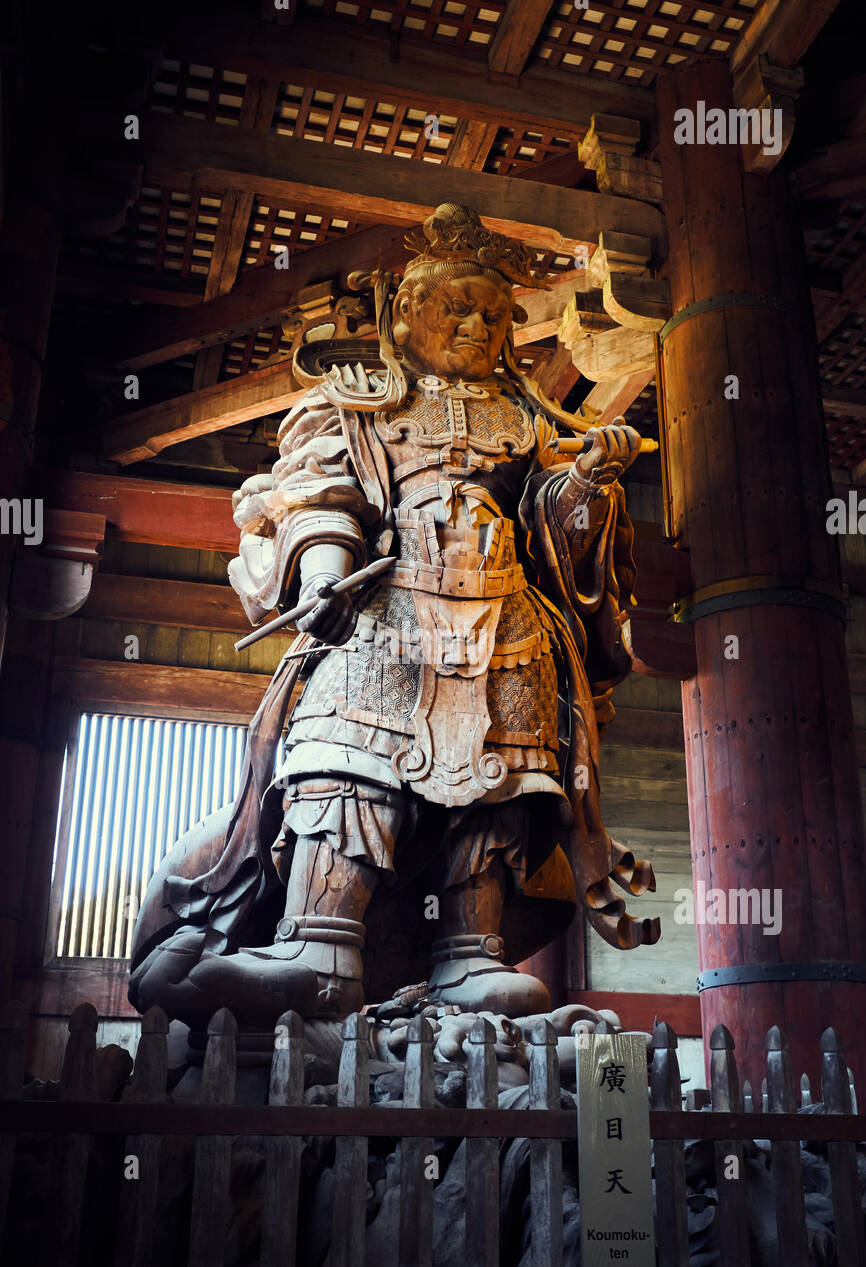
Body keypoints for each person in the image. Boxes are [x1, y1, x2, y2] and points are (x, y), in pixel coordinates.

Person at [128, 203, 659, 1030]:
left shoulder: (529, 416)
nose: (480, 325)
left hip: (503, 621)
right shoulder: (360, 399)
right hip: (387, 608)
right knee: (346, 755)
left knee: (496, 779)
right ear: (408, 311)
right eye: (460, 306)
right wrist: (328, 572)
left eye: (494, 314)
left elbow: (550, 525)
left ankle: (470, 953)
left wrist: (588, 482)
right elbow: (316, 491)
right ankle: (318, 944)